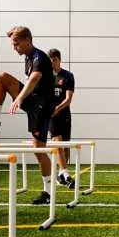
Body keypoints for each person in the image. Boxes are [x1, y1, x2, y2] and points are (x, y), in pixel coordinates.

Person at [0, 26, 56, 205]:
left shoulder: (39, 57)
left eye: (16, 44)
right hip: (34, 102)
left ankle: (48, 192)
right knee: (0, 77)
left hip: (42, 107)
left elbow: (34, 78)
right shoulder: (28, 57)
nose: (14, 48)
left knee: (39, 150)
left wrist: (18, 97)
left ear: (27, 40)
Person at [48, 48, 75, 189]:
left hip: (64, 114)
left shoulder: (68, 76)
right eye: (50, 60)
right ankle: (66, 174)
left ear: (59, 60)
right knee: (57, 142)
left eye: (55, 60)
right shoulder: (46, 77)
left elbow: (68, 99)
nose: (52, 63)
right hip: (51, 116)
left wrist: (57, 109)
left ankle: (61, 174)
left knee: (65, 146)